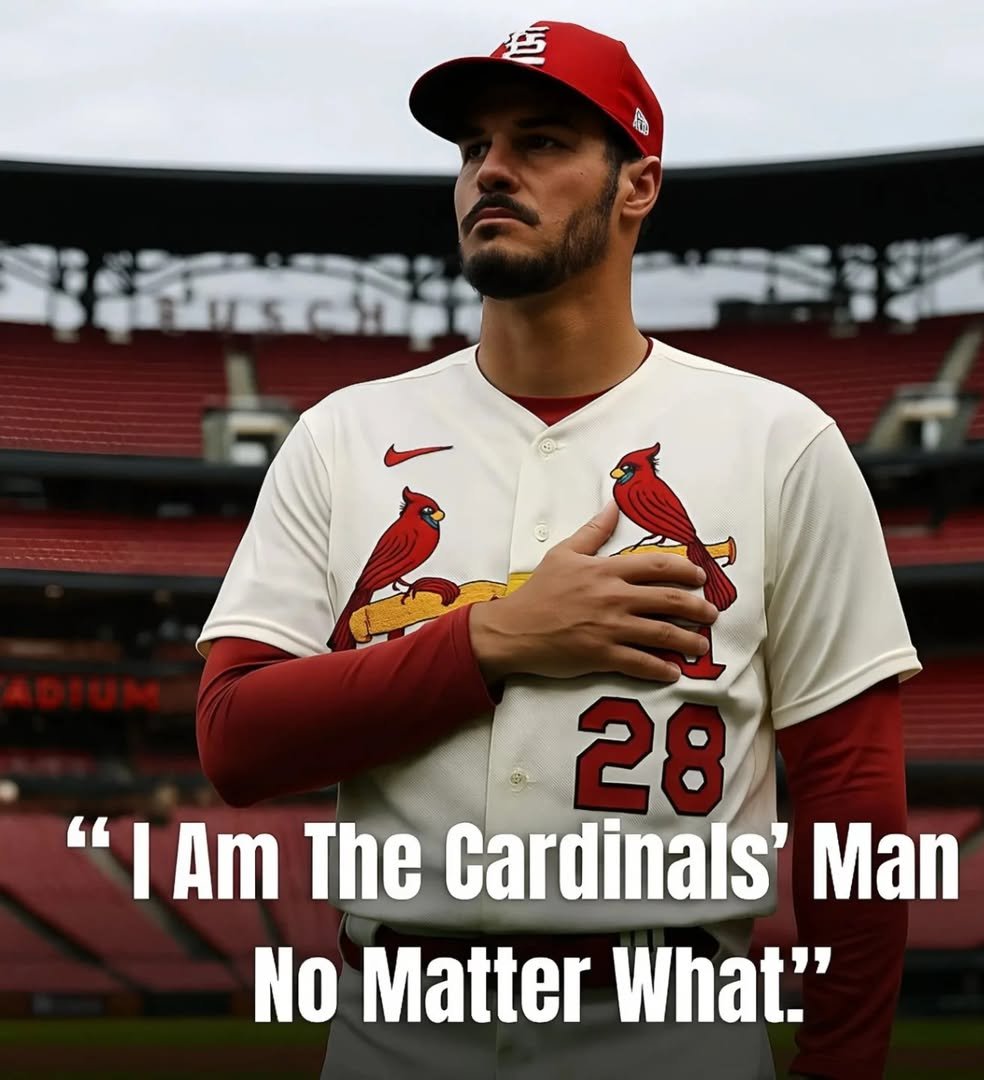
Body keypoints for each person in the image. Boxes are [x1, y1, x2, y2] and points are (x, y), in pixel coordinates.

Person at [196, 20, 920, 1080]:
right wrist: (494, 639)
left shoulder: (780, 440)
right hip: (394, 1028)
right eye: (472, 148)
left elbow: (854, 799)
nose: (491, 170)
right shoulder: (344, 436)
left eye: (541, 142)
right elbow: (234, 741)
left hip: (673, 1029)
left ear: (638, 185)